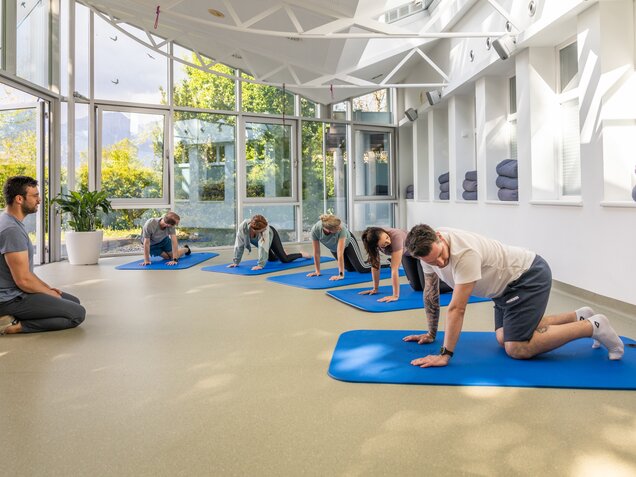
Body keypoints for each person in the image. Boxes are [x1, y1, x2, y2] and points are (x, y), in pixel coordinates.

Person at [402, 224, 624, 367]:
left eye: (440, 256)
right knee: (502, 337)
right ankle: (578, 316)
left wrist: (445, 354)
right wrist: (431, 334)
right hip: (504, 291)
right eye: (432, 262)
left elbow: (457, 308)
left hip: (527, 277)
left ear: (439, 237)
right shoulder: (426, 252)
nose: (440, 263)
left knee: (517, 347)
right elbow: (431, 294)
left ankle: (594, 326)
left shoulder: (464, 253)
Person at [0, 176, 86, 335]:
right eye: (35, 196)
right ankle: (12, 325)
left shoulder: (9, 221)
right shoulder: (11, 230)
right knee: (77, 314)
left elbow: (27, 274)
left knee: (74, 302)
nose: (39, 200)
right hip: (9, 300)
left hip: (16, 292)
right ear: (19, 199)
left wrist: (48, 288)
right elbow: (23, 280)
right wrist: (49, 293)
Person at [360, 227, 452, 303]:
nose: (389, 242)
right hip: (407, 255)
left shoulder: (396, 236)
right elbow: (375, 266)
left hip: (419, 253)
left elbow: (394, 269)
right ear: (376, 246)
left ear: (385, 233)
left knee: (427, 287)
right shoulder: (373, 241)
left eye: (387, 238)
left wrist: (395, 295)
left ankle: (457, 285)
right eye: (384, 244)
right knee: (416, 287)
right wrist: (375, 288)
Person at [229, 214, 308, 270]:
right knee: (271, 259)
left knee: (284, 259)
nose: (263, 231)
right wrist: (236, 262)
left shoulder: (266, 230)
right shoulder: (243, 228)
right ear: (254, 230)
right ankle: (281, 252)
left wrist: (260, 265)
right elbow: (239, 244)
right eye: (261, 231)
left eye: (263, 230)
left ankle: (301, 254)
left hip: (272, 235)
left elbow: (263, 247)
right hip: (262, 240)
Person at [307, 214, 371, 281]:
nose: (340, 227)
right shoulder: (315, 230)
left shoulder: (342, 229)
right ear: (329, 230)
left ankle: (376, 262)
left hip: (348, 242)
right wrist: (317, 271)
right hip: (334, 248)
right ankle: (365, 261)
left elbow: (340, 253)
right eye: (337, 228)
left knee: (361, 268)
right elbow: (316, 252)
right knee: (349, 269)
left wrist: (341, 275)